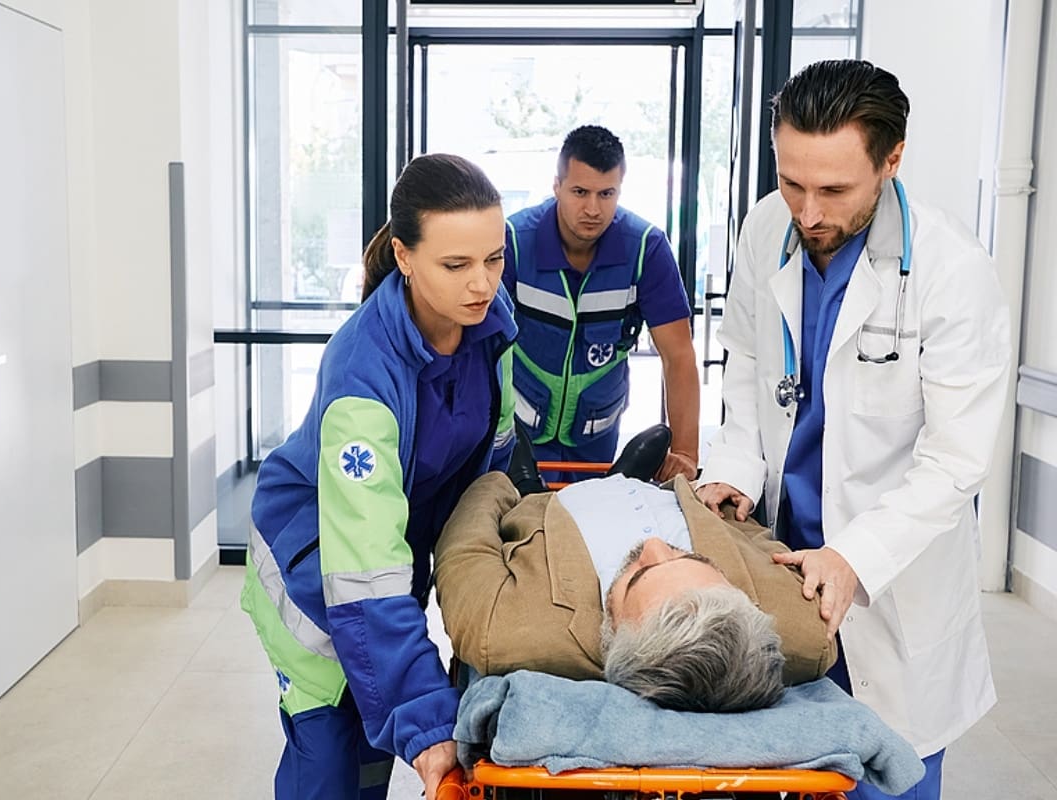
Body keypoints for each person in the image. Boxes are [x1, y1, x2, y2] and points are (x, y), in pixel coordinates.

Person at [696, 60, 1010, 799]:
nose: (807, 212)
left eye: (833, 189)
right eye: (791, 180)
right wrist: (736, 468)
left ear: (892, 159)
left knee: (886, 776)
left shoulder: (950, 273)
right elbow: (745, 367)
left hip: (888, 585)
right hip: (779, 571)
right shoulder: (765, 230)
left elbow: (955, 460)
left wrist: (855, 557)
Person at [239, 153, 519, 800]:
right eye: (456, 265)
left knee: (371, 757)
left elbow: (491, 465)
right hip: (315, 579)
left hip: (387, 563)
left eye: (494, 258)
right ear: (404, 256)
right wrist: (426, 720)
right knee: (332, 766)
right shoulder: (363, 376)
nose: (483, 283)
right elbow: (362, 573)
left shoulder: (489, 327)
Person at [432, 449, 838, 713]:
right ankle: (627, 477)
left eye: (638, 575)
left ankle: (542, 479)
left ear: (612, 632)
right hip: (661, 492)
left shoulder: (501, 631)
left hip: (546, 505)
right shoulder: (806, 633)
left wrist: (503, 485)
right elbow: (751, 537)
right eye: (690, 558)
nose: (655, 544)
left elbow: (465, 540)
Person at [503, 124, 700, 484]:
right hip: (518, 437)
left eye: (606, 193)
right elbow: (478, 349)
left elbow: (679, 356)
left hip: (597, 441)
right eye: (579, 191)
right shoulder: (513, 241)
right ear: (557, 186)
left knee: (591, 532)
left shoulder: (647, 249)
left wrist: (687, 453)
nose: (592, 208)